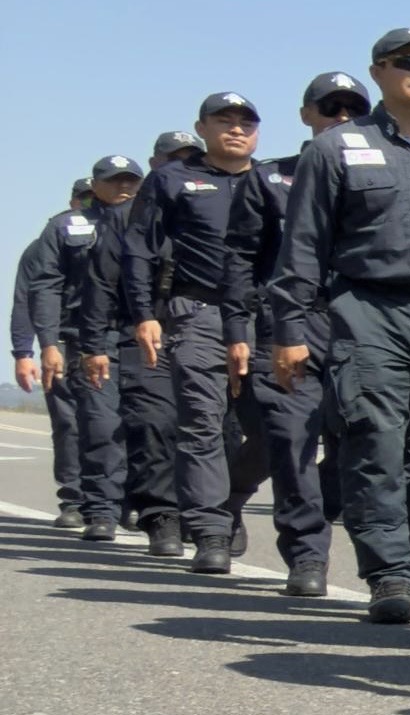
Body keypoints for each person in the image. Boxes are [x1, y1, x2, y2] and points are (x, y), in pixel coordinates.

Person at [266, 31, 410, 623]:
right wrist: (289, 329)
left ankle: (406, 525)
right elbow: (303, 246)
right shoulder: (338, 148)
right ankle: (389, 572)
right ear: (378, 72)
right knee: (374, 443)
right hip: (368, 308)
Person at [119, 93, 275, 575]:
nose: (236, 129)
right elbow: (140, 249)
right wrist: (144, 313)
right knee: (201, 422)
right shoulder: (172, 179)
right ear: (202, 128)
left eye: (246, 122)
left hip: (266, 316)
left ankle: (230, 500)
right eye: (224, 120)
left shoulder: (273, 180)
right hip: (199, 311)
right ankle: (210, 531)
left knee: (277, 426)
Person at [250, 73, 367, 598]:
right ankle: (305, 554)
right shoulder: (271, 178)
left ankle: (247, 496)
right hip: (291, 322)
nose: (341, 118)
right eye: (330, 108)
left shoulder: (388, 169)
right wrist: (250, 328)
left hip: (358, 321)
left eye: (352, 109)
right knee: (292, 438)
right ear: (306, 115)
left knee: (361, 439)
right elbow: (243, 261)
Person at [114, 129, 202, 554]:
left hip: (203, 330)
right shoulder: (125, 217)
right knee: (153, 422)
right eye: (173, 159)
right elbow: (102, 284)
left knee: (214, 427)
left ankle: (207, 512)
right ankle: (160, 513)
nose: (180, 167)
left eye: (189, 158)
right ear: (155, 164)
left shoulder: (211, 211)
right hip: (142, 332)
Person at [56, 156, 143, 543]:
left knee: (145, 425)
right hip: (91, 336)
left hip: (143, 335)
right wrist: (43, 342)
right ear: (95, 186)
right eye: (114, 180)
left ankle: (139, 506)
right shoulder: (69, 226)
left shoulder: (153, 223)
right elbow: (39, 286)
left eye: (130, 181)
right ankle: (98, 508)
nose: (123, 187)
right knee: (99, 425)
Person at [10, 185, 90, 528]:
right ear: (73, 202)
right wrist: (23, 351)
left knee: (118, 422)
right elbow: (25, 299)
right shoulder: (46, 243)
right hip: (61, 343)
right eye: (86, 198)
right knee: (69, 423)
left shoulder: (124, 235)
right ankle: (74, 498)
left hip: (112, 340)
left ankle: (118, 499)